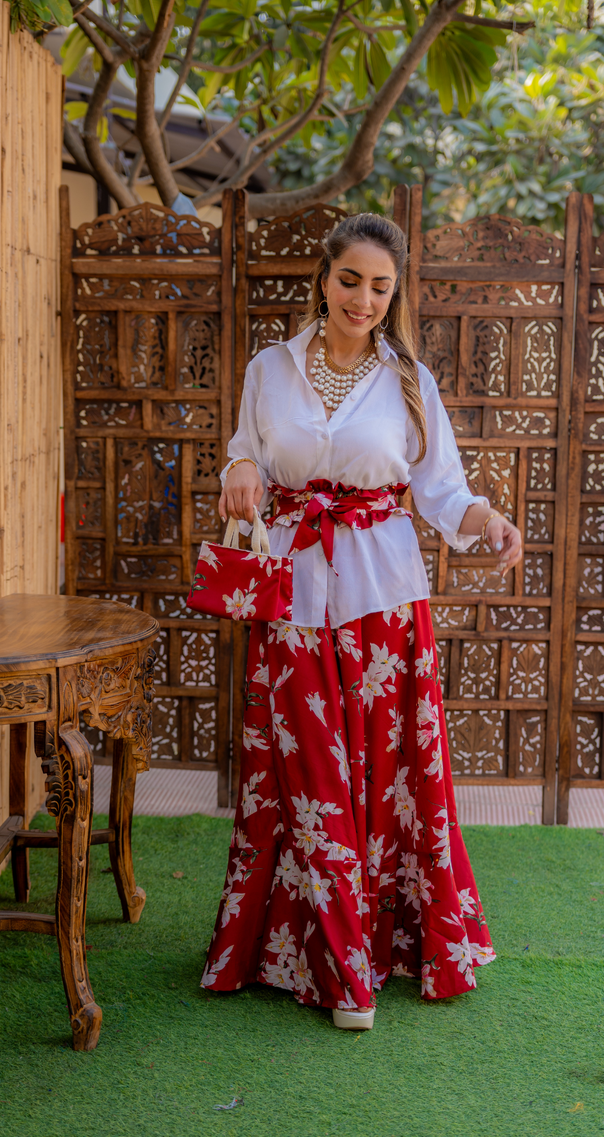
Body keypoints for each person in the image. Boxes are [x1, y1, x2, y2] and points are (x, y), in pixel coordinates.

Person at [199, 212, 522, 1030]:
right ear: (324, 276)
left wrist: (488, 523)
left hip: (385, 603)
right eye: (352, 280)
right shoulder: (270, 368)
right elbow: (247, 448)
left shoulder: (409, 379)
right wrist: (240, 466)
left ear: (394, 292)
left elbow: (442, 489)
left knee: (386, 779)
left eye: (381, 286)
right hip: (294, 600)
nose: (364, 299)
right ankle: (343, 972)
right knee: (308, 780)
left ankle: (377, 948)